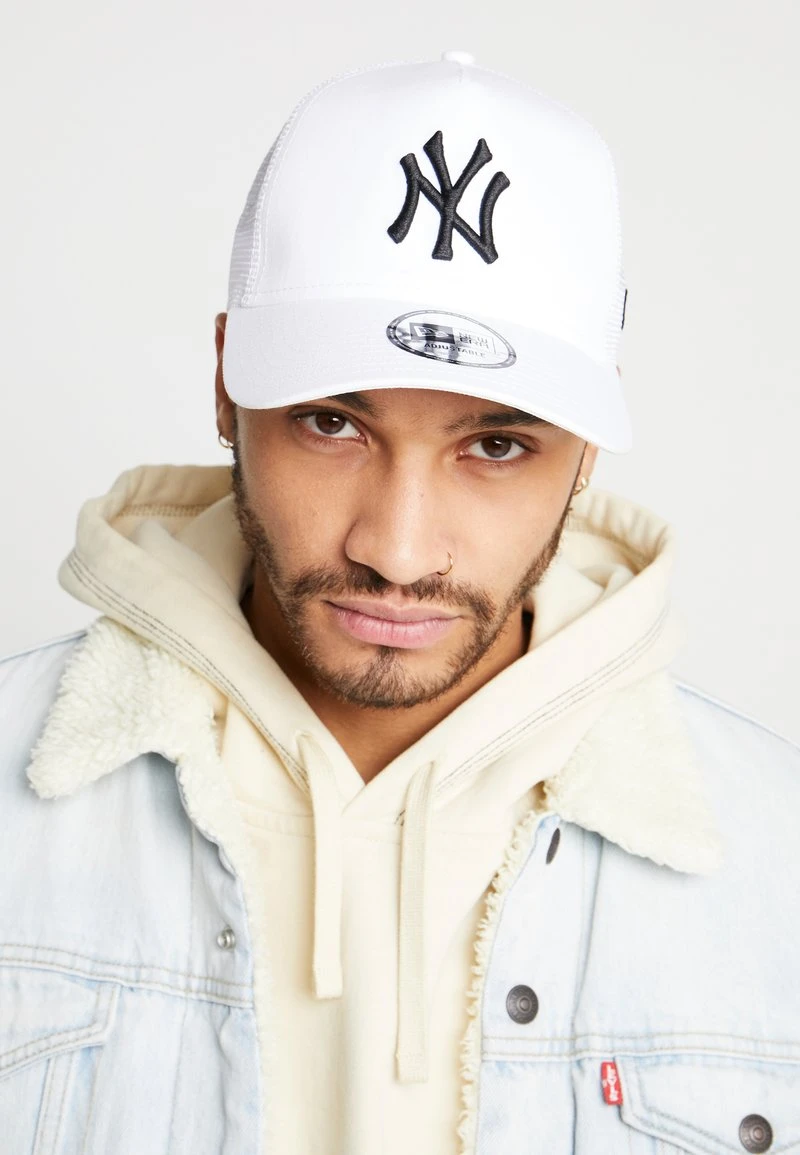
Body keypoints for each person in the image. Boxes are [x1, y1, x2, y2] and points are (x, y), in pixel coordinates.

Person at [1, 49, 798, 1155]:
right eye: (332, 423)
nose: (397, 549)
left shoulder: (776, 859)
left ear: (584, 452)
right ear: (227, 383)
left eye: (496, 444)